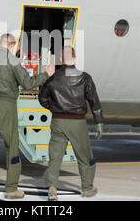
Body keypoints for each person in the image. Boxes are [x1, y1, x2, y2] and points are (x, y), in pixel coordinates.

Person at [0, 33, 55, 201]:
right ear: (12, 46)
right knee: (12, 147)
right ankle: (11, 189)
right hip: (6, 105)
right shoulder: (13, 61)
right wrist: (46, 74)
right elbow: (28, 84)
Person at [38, 46, 103, 201]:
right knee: (85, 156)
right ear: (74, 57)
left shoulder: (52, 79)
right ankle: (87, 188)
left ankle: (52, 188)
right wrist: (99, 122)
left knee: (55, 156)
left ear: (61, 59)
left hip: (58, 121)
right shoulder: (85, 77)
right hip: (78, 122)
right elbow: (94, 100)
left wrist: (54, 108)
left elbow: (42, 98)